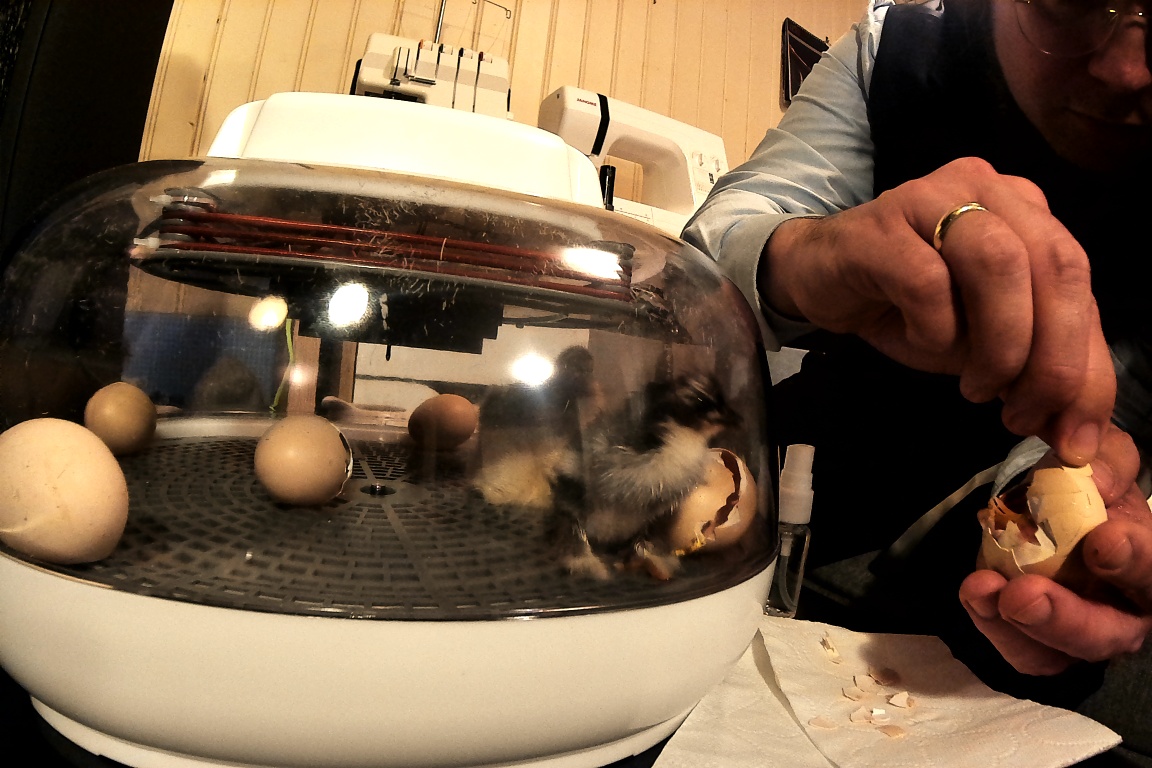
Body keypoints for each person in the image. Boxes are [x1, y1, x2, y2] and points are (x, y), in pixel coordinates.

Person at [682, 0, 1152, 760]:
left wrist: (1082, 485)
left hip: (1027, 602)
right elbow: (721, 240)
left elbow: (1131, 406)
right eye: (1068, 4)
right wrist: (805, 257)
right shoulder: (892, 51)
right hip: (804, 502)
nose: (1125, 69)